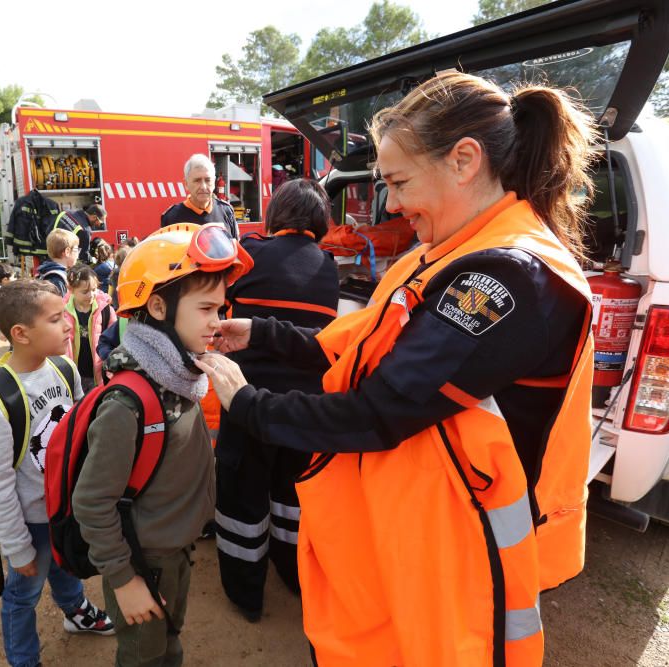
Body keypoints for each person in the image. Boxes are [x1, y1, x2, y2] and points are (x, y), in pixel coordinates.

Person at [197, 71, 597, 666]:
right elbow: (354, 344)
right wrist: (260, 332)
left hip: (443, 560)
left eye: (398, 181)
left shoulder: (506, 278)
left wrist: (246, 403)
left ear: (464, 160)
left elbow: (379, 410)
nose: (391, 203)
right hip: (398, 541)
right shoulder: (447, 253)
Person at [72, 223, 253, 667]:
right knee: (144, 656)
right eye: (207, 308)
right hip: (142, 563)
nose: (218, 320)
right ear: (158, 306)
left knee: (168, 643)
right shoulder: (129, 403)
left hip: (173, 551)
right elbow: (92, 503)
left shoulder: (180, 378)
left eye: (221, 308)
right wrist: (123, 581)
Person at [0, 279, 115, 667]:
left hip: (65, 506)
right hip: (31, 519)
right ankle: (24, 659)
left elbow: (81, 427)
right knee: (23, 593)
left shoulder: (63, 368)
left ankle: (75, 609)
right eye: (55, 319)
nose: (68, 325)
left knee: (64, 563)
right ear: (21, 334)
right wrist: (16, 546)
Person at [213, 179, 339, 622]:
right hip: (304, 411)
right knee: (292, 498)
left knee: (242, 499)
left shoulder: (251, 253)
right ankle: (293, 574)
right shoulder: (328, 267)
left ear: (277, 214)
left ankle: (246, 593)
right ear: (320, 221)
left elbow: (214, 302)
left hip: (245, 400)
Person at [64, 265, 116, 392]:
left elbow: (114, 339)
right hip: (74, 373)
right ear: (70, 289)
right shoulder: (62, 311)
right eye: (85, 292)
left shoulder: (105, 310)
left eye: (94, 289)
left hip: (98, 374)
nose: (91, 295)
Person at [160, 154, 238, 239]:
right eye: (197, 181)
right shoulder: (172, 217)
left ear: (214, 182)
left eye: (208, 180)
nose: (203, 187)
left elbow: (236, 249)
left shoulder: (226, 212)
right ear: (186, 184)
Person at [37, 228, 79, 298]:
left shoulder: (48, 271)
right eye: (76, 250)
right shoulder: (57, 280)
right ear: (67, 251)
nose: (78, 254)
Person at [108, 245, 130, 310]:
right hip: (126, 305)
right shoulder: (127, 272)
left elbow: (110, 292)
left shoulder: (114, 273)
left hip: (117, 306)